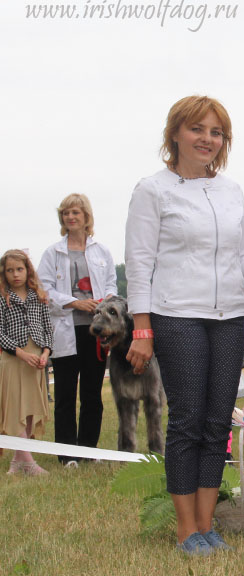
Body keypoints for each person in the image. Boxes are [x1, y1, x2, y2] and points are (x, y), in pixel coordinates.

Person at [124, 95, 244, 556]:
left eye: (216, 133)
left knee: (219, 423)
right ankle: (184, 531)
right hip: (176, 314)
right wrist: (141, 327)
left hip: (231, 316)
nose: (207, 139)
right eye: (198, 129)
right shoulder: (152, 190)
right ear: (175, 133)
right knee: (189, 420)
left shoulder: (231, 190)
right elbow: (139, 262)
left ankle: (205, 526)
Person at [38, 194, 117, 466]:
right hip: (65, 331)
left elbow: (111, 285)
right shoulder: (52, 252)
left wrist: (103, 300)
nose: (70, 217)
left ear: (86, 217)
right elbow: (44, 290)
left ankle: (88, 450)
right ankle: (67, 454)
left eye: (75, 213)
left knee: (92, 395)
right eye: (65, 213)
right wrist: (74, 302)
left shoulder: (101, 251)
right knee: (65, 396)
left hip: (95, 333)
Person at [0, 250, 53, 476]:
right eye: (9, 270)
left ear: (27, 270)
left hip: (36, 358)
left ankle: (18, 461)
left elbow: (47, 327)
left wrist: (45, 353)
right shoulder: (3, 298)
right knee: (16, 408)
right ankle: (28, 462)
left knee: (30, 408)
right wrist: (21, 354)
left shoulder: (38, 296)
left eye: (19, 269)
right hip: (13, 359)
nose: (15, 274)